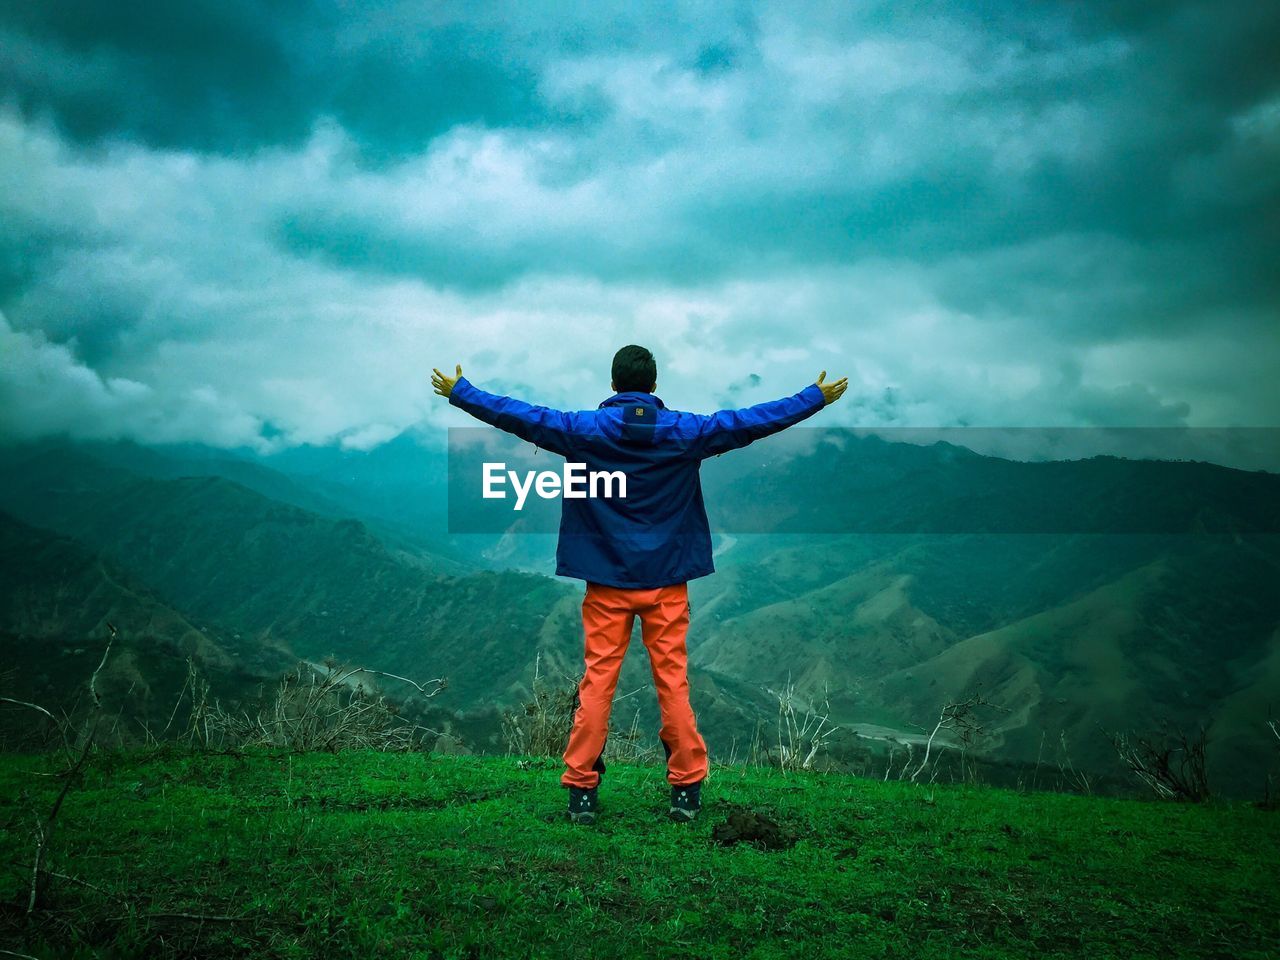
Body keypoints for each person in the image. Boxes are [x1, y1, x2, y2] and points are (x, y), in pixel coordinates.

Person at [432, 346, 847, 825]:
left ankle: (582, 792)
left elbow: (521, 416)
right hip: (667, 583)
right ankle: (686, 789)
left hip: (607, 583)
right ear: (654, 384)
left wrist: (462, 393)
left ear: (613, 385)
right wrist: (812, 397)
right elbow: (748, 422)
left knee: (597, 684)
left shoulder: (581, 431)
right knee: (672, 683)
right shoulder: (685, 433)